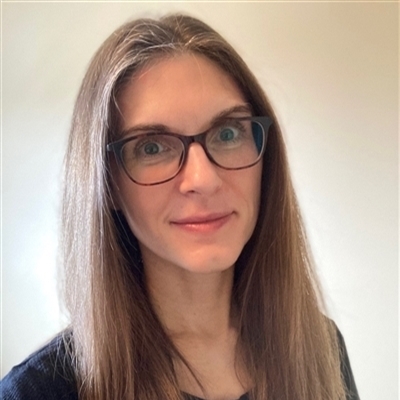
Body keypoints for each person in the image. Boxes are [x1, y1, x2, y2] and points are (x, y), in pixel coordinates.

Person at [1, 14, 359, 400]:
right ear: (109, 188)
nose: (202, 180)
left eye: (227, 133)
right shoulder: (41, 392)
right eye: (152, 147)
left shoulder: (320, 348)